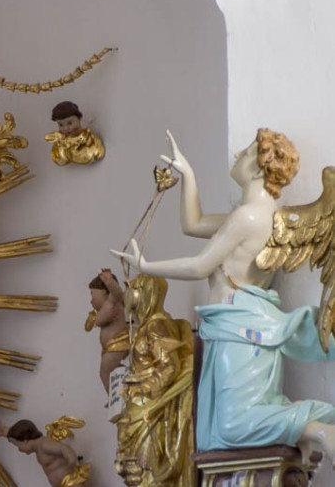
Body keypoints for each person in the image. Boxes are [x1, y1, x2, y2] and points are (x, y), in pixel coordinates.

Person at [112, 129, 335, 461]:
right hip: (235, 327)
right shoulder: (260, 216)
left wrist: (147, 265)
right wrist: (187, 174)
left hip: (240, 331)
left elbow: (201, 265)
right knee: (214, 434)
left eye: (246, 152)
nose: (237, 156)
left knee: (230, 427)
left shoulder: (248, 217)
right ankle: (297, 424)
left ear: (259, 167)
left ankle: (319, 429)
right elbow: (193, 224)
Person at [115, 274, 195, 486]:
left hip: (151, 404)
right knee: (135, 465)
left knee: (146, 464)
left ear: (147, 294)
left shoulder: (156, 326)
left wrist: (146, 387)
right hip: (140, 402)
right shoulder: (147, 325)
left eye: (136, 290)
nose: (131, 298)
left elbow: (170, 365)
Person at [0, 419, 88, 486]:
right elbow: (17, 435)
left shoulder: (44, 445)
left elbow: (64, 448)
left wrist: (72, 461)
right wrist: (6, 432)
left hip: (69, 481)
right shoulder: (39, 448)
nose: (19, 450)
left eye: (19, 446)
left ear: (25, 440)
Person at [83, 269, 129, 394]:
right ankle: (120, 392)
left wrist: (110, 282)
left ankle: (114, 396)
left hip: (116, 344)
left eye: (93, 294)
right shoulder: (105, 307)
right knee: (112, 371)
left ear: (104, 292)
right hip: (110, 347)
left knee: (105, 372)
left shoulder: (112, 301)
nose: (91, 300)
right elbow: (95, 323)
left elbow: (118, 293)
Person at [44, 101, 105, 166]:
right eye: (61, 125)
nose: (66, 128)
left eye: (70, 123)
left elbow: (94, 154)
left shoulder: (88, 137)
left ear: (79, 118)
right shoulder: (61, 141)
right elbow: (60, 161)